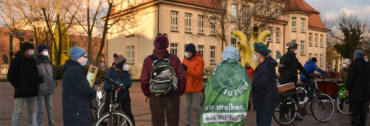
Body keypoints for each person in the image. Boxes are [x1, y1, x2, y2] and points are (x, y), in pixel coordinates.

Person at [140, 34, 187, 126]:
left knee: (157, 123)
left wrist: (148, 93)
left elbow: (144, 80)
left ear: (154, 45)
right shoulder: (174, 58)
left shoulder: (148, 60)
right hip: (172, 95)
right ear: (167, 44)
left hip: (155, 96)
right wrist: (179, 92)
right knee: (173, 122)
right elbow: (182, 77)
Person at [62, 47, 97, 125]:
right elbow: (85, 88)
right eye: (85, 57)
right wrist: (95, 94)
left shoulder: (72, 69)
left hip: (74, 108)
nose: (86, 59)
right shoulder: (75, 71)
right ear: (79, 57)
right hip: (77, 110)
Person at [8, 42, 40, 126]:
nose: (32, 51)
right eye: (30, 49)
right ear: (24, 51)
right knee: (18, 111)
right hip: (20, 91)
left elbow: (35, 74)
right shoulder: (16, 60)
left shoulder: (33, 61)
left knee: (31, 110)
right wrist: (18, 87)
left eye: (33, 49)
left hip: (32, 90)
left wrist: (37, 81)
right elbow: (11, 75)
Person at [278, 41, 310, 121]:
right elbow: (280, 70)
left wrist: (308, 75)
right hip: (285, 82)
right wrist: (289, 75)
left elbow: (300, 67)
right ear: (291, 49)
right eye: (295, 48)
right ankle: (281, 117)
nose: (296, 50)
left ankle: (294, 115)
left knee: (294, 100)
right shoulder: (285, 57)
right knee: (285, 100)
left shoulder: (294, 58)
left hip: (292, 82)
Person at [251, 42, 281, 126]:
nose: (254, 55)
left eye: (255, 53)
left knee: (263, 123)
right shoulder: (263, 65)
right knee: (261, 122)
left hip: (266, 101)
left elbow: (262, 83)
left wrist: (251, 86)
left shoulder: (266, 66)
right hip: (264, 101)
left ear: (260, 55)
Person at [103, 55, 135, 125]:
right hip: (111, 96)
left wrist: (121, 84)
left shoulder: (125, 72)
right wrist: (112, 85)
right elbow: (106, 86)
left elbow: (129, 84)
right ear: (120, 64)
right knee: (105, 113)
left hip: (123, 96)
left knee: (128, 113)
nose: (126, 64)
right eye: (124, 63)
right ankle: (102, 124)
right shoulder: (110, 71)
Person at [344, 50, 369, 126]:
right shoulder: (367, 64)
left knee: (354, 107)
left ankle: (354, 122)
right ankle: (362, 122)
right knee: (362, 107)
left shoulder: (353, 65)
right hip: (365, 90)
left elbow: (350, 78)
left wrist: (347, 88)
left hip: (355, 90)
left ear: (355, 56)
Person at [182, 43, 204, 126]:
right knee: (186, 108)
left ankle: (200, 123)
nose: (186, 52)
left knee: (196, 107)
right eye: (185, 51)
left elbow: (198, 74)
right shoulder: (185, 59)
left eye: (188, 51)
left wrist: (187, 69)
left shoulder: (199, 60)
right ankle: (187, 124)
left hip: (196, 88)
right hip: (187, 88)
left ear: (192, 52)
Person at [34, 44, 56, 126]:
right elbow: (32, 74)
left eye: (47, 50)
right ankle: (38, 124)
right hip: (40, 89)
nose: (47, 52)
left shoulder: (49, 61)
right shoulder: (35, 60)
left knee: (49, 108)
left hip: (49, 88)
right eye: (45, 50)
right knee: (40, 109)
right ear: (41, 51)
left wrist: (54, 82)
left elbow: (53, 73)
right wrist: (37, 81)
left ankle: (51, 124)